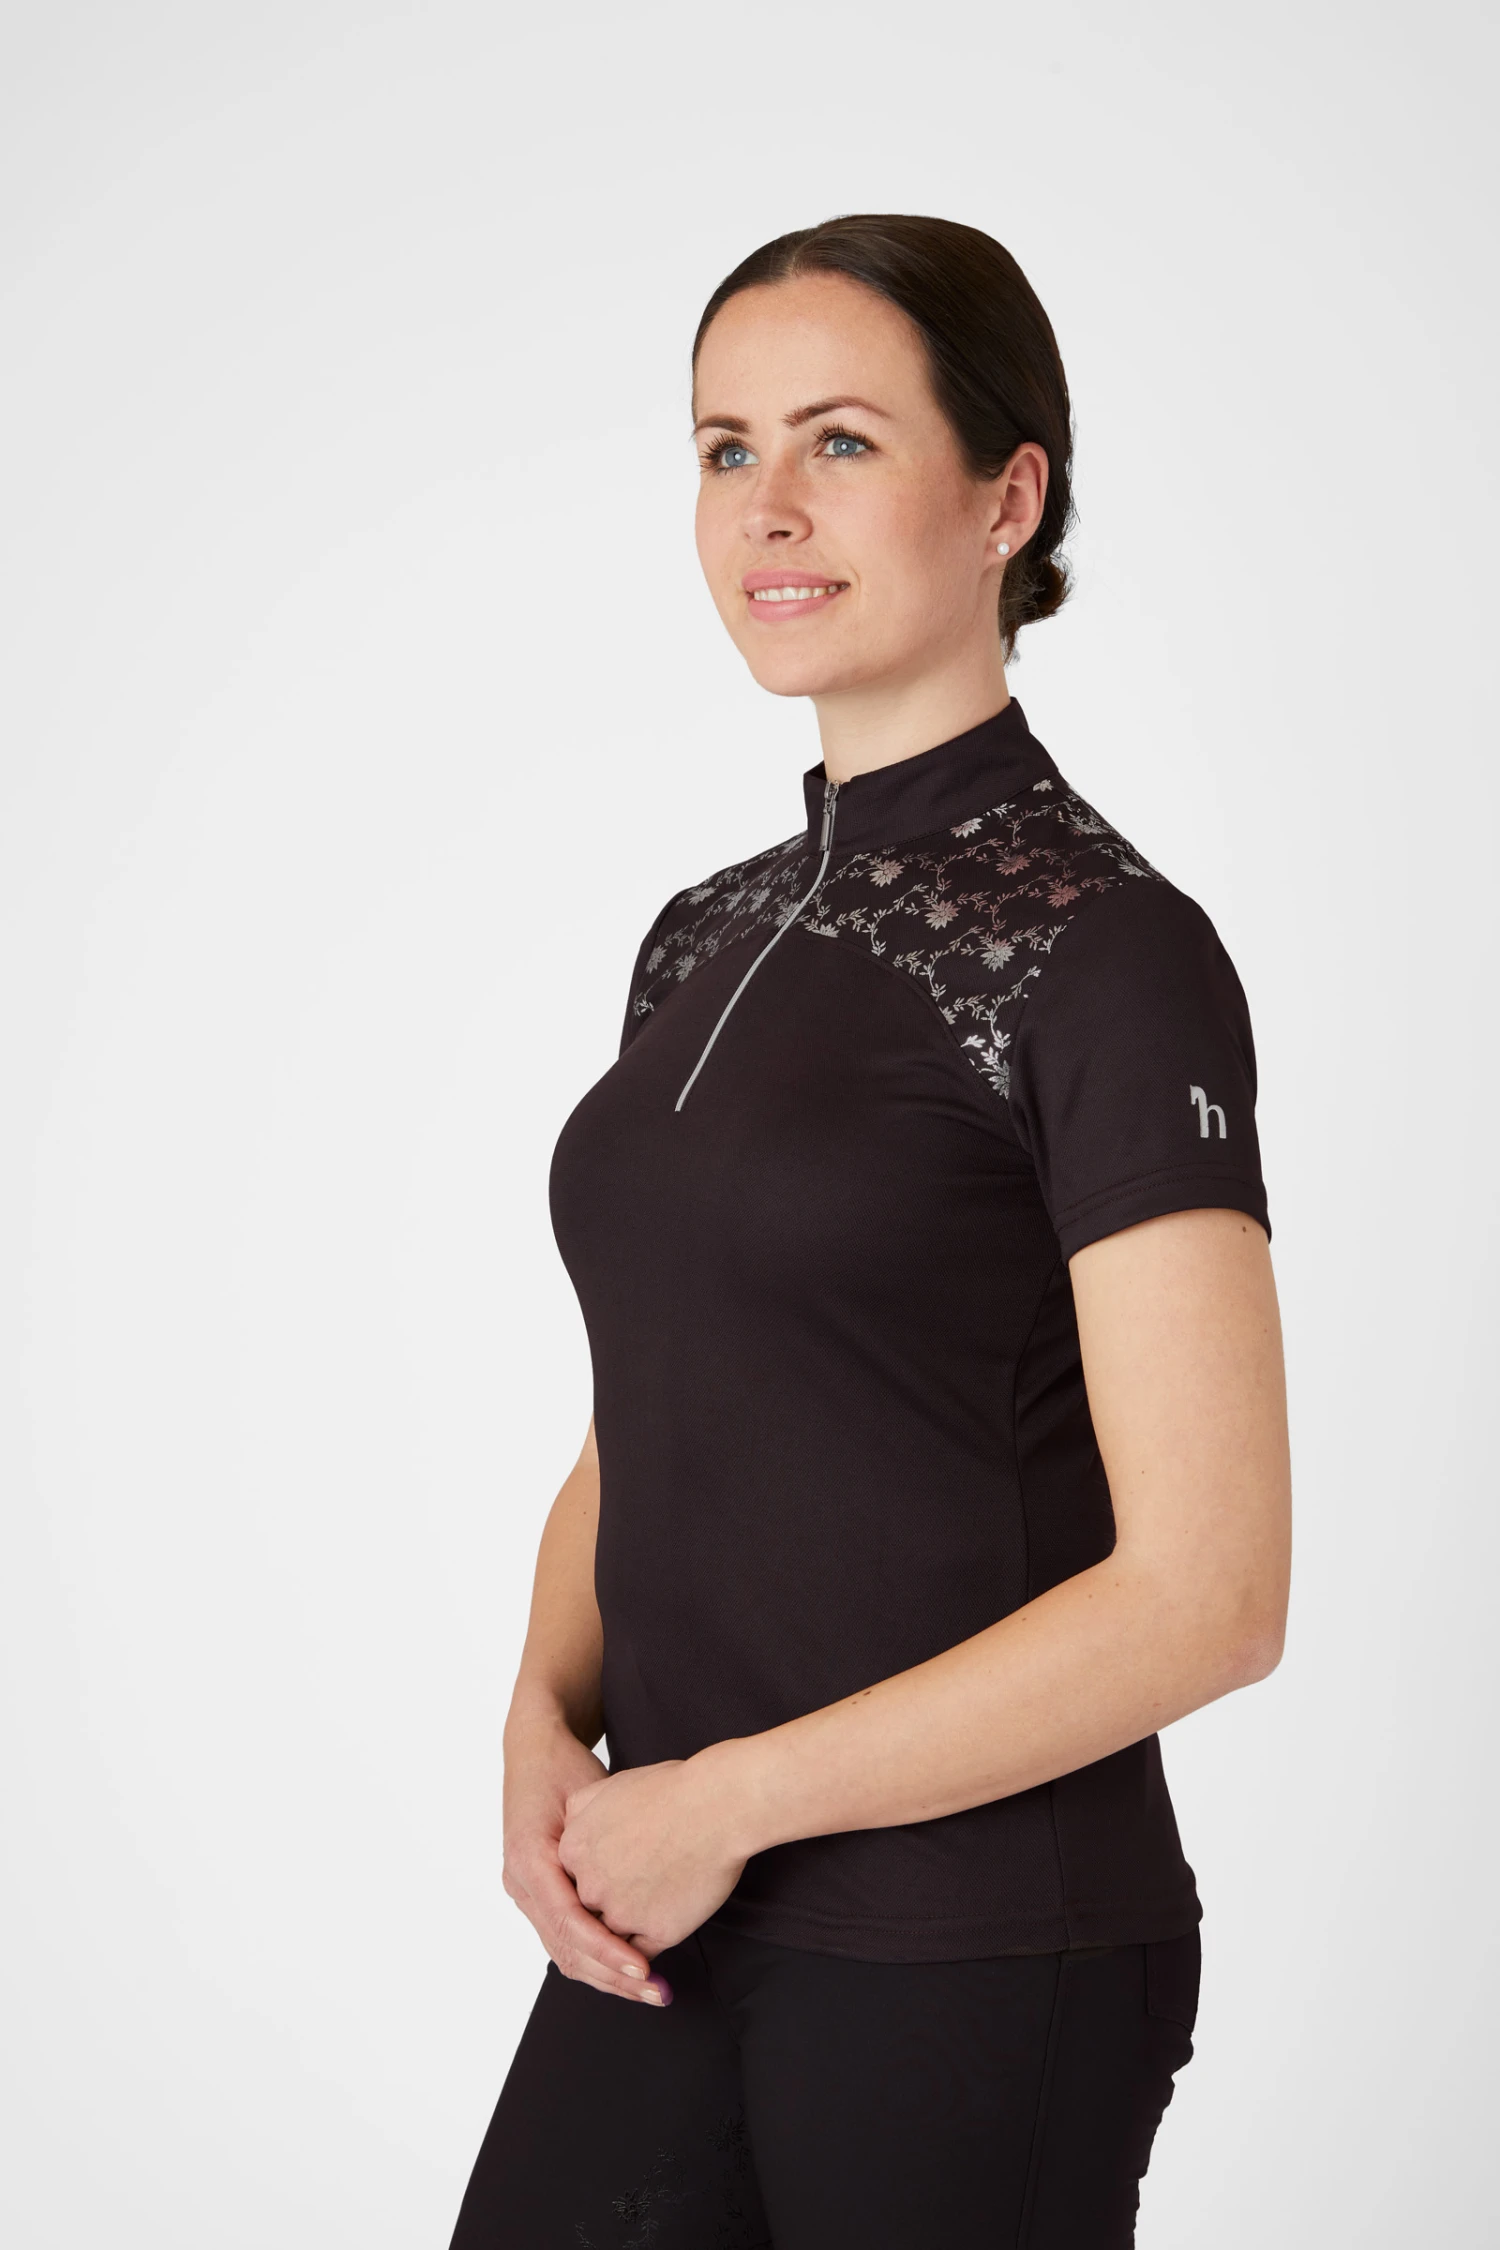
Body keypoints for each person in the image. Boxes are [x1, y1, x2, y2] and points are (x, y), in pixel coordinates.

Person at [447, 213, 1291, 2248]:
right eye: (725, 448)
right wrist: (542, 1715)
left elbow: (1212, 1591)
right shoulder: (701, 936)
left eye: (840, 440)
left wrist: (726, 1799)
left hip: (977, 1954)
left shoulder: (1109, 953)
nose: (769, 506)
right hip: (669, 1921)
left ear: (1009, 497)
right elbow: (659, 1408)